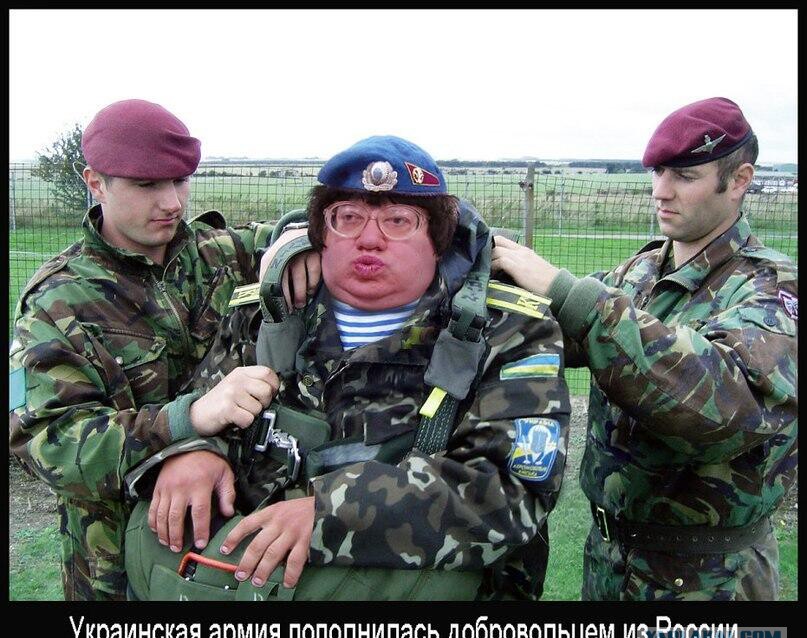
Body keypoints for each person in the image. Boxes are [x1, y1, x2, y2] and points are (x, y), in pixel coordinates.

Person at [128, 135, 571, 600]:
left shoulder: (509, 331)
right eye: (348, 217)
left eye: (399, 220)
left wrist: (327, 512)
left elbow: (508, 489)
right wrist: (194, 451)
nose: (369, 239)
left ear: (438, 241)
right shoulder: (267, 314)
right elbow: (208, 404)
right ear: (321, 234)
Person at [491, 97, 798, 600]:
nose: (661, 191)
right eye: (657, 172)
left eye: (685, 176)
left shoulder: (771, 288)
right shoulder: (641, 271)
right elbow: (558, 328)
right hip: (609, 562)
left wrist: (566, 291)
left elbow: (723, 407)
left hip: (708, 579)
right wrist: (483, 266)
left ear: (739, 180)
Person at [8, 99, 315, 601]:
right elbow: (48, 443)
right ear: (96, 183)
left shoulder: (217, 253)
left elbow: (306, 230)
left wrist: (295, 247)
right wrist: (184, 422)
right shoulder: (58, 301)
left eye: (180, 180)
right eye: (148, 185)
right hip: (115, 565)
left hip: (226, 544)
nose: (172, 202)